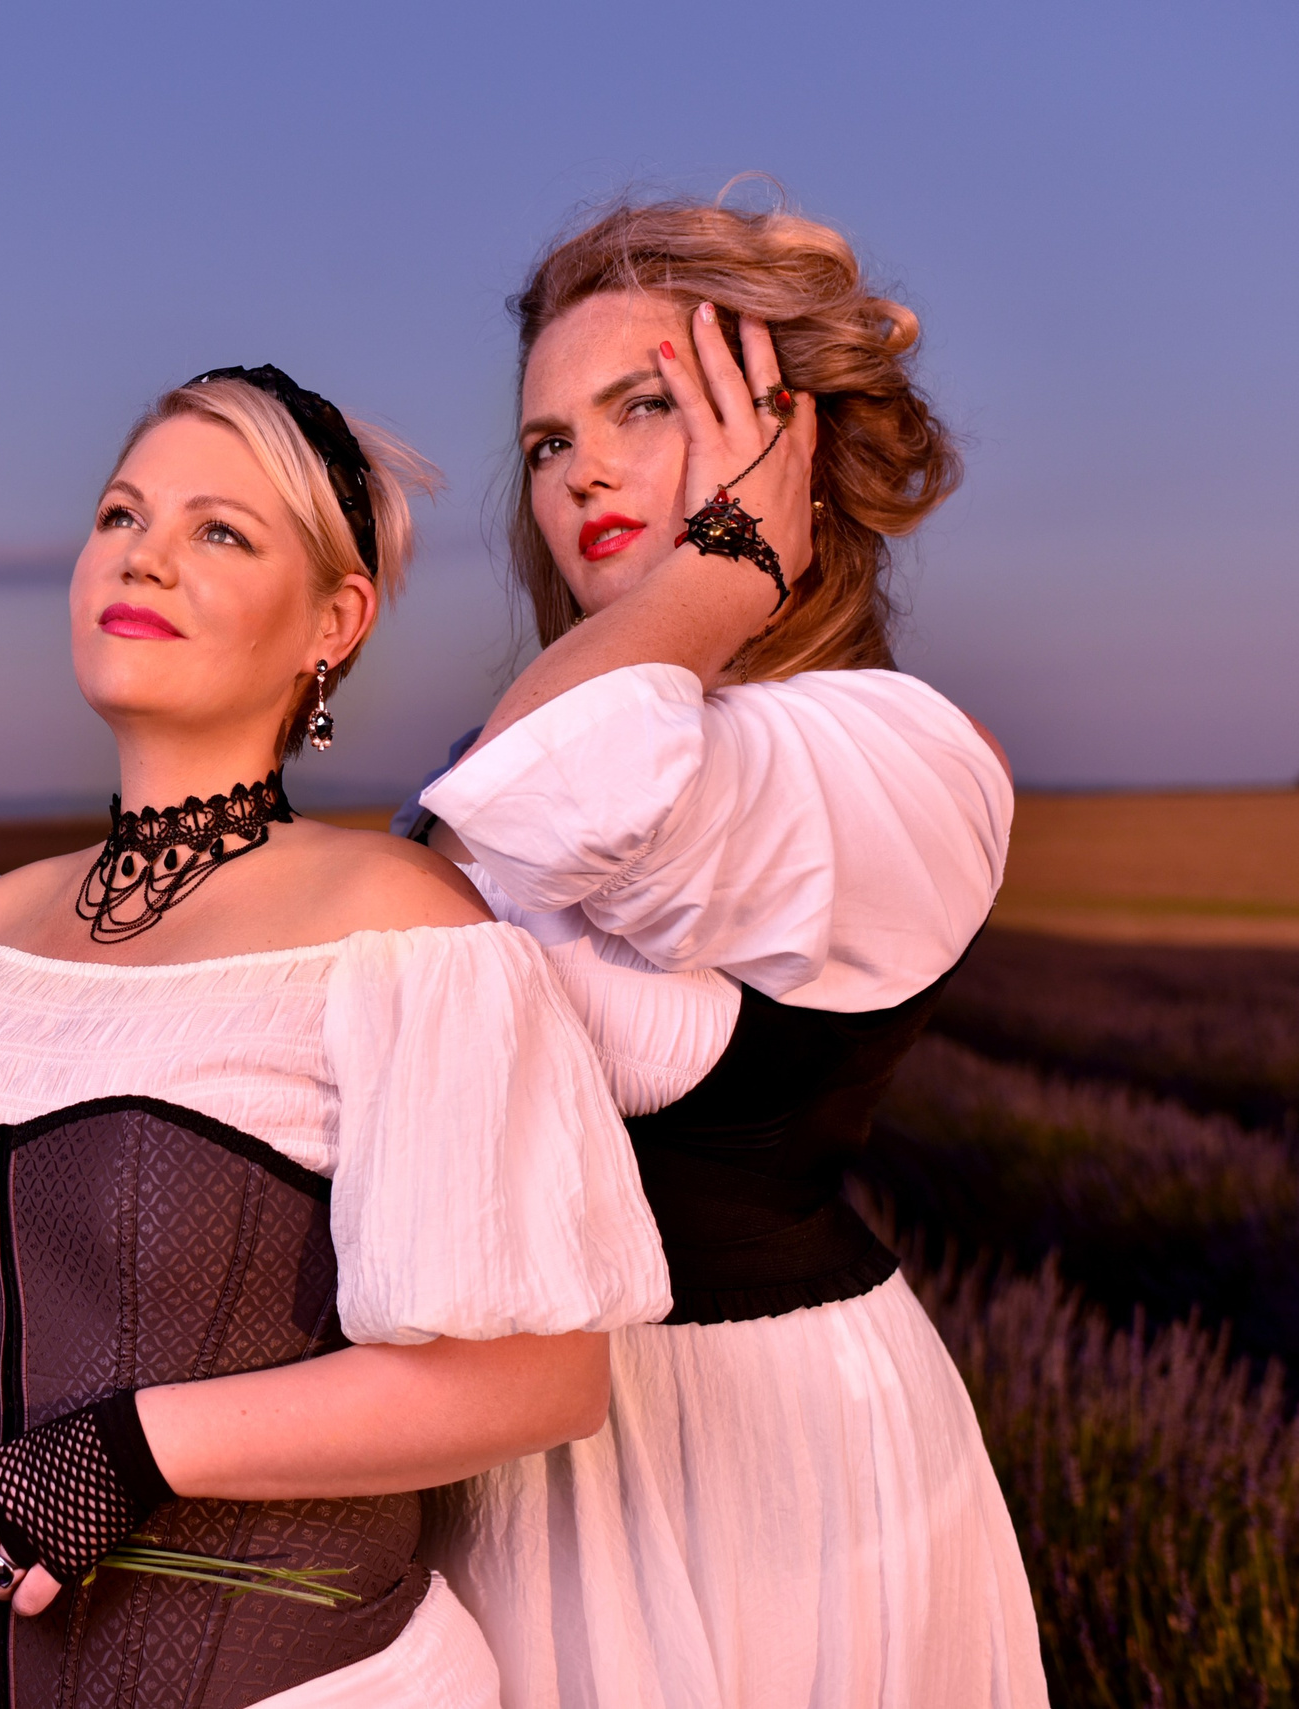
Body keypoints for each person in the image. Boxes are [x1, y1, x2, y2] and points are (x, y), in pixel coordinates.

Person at [0, 366, 672, 1708]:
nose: (144, 553)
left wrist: (132, 1447)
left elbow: (540, 1378)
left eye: (218, 531)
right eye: (119, 514)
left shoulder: (397, 929)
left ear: (332, 622)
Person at [400, 196, 1049, 1707]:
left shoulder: (901, 753)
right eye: (550, 441)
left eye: (650, 404)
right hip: (502, 1457)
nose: (586, 472)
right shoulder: (519, 753)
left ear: (793, 440)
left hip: (765, 1469)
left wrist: (737, 554)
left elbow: (566, 788)